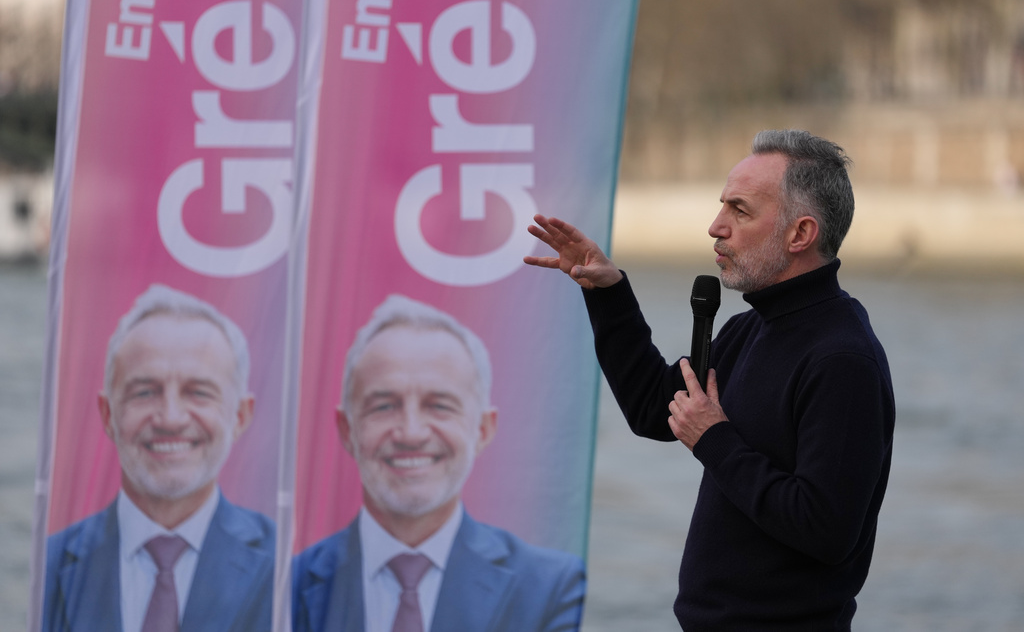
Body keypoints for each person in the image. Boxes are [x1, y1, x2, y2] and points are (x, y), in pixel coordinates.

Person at [524, 129, 895, 631]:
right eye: (722, 207)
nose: (715, 227)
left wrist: (714, 439)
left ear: (799, 234)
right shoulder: (751, 326)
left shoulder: (842, 359)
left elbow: (824, 530)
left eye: (739, 211)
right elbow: (655, 412)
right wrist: (608, 295)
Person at [292, 294, 586, 632]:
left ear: (483, 429)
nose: (411, 433)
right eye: (384, 406)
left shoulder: (552, 589)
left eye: (439, 405)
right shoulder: (282, 589)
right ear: (347, 430)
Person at [43, 285, 275, 632]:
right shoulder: (46, 564)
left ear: (240, 416)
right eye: (145, 392)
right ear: (108, 414)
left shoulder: (288, 566)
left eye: (198, 392)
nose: (170, 417)